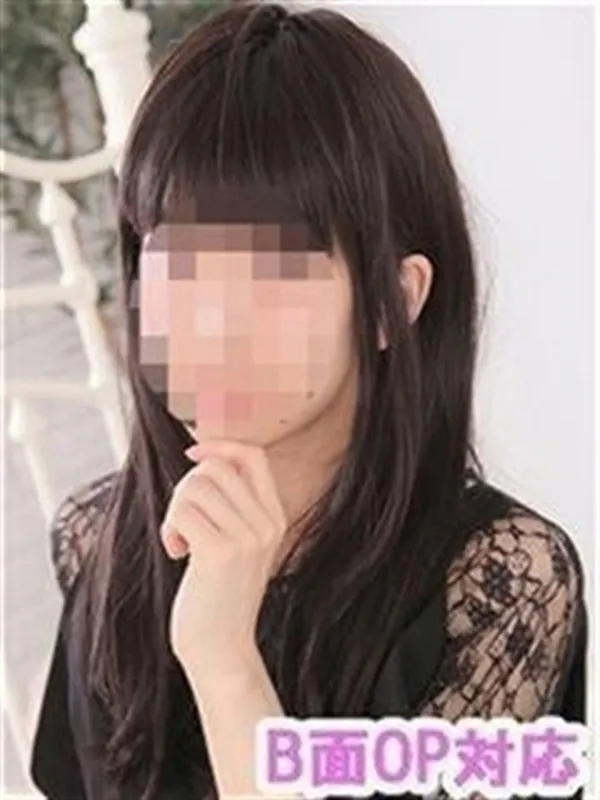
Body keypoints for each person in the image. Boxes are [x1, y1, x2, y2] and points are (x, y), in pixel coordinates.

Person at [29, 3, 587, 799]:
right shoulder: (98, 538)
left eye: (273, 270)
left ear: (395, 301)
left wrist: (224, 660)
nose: (212, 321)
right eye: (177, 259)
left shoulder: (503, 585)